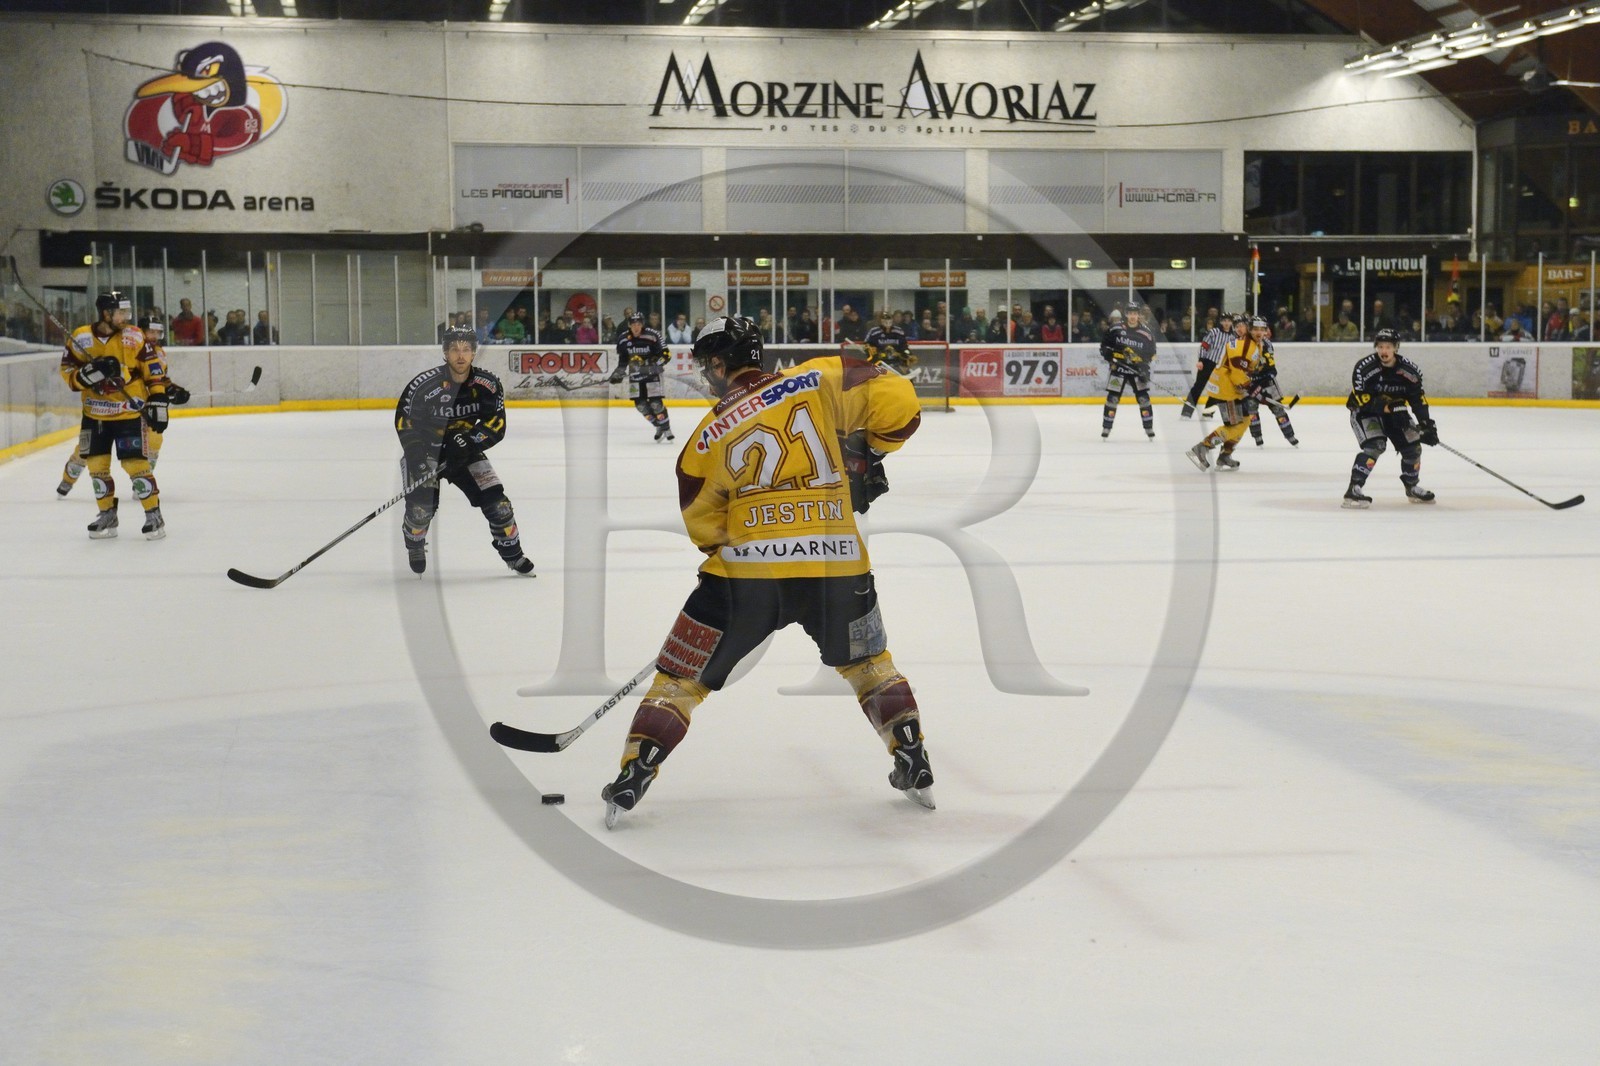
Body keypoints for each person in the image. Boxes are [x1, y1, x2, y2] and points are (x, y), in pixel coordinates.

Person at [599, 316, 932, 827]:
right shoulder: (818, 377)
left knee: (682, 680)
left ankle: (636, 769)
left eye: (706, 365)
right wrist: (864, 457)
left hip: (745, 578)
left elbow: (703, 524)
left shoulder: (705, 438)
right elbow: (902, 405)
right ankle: (911, 750)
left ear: (717, 363)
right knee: (868, 664)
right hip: (837, 562)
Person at [395, 326, 534, 575]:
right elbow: (405, 422)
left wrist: (470, 442)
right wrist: (416, 456)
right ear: (445, 352)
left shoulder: (487, 384)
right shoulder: (424, 386)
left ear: (474, 353)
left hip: (464, 452)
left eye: (466, 349)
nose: (461, 355)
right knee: (420, 511)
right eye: (454, 349)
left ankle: (513, 555)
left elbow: (496, 424)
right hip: (427, 453)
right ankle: (415, 544)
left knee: (499, 506)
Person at [59, 291, 171, 539]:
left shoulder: (134, 335)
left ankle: (154, 514)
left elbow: (152, 368)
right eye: (121, 312)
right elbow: (67, 370)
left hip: (128, 412)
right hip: (94, 414)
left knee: (135, 464)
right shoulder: (81, 337)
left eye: (127, 312)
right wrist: (84, 376)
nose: (126, 317)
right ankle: (107, 514)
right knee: (97, 466)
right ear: (106, 313)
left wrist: (159, 398)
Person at [57, 316, 191, 498]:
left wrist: (173, 390)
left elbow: (158, 379)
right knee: (87, 448)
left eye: (158, 332)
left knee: (153, 440)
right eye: (151, 331)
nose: (155, 336)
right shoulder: (126, 343)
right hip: (108, 405)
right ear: (141, 331)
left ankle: (141, 484)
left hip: (137, 406)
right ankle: (68, 479)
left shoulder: (158, 353)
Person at [1341, 328, 1437, 508]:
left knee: (1413, 448)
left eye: (1388, 347)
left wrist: (1427, 424)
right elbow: (1362, 399)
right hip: (1365, 413)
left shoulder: (1410, 371)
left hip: (1395, 413)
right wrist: (1387, 408)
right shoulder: (1365, 368)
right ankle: (1354, 488)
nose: (1384, 351)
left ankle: (1412, 486)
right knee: (1375, 445)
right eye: (1380, 346)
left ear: (1396, 348)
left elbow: (1417, 399)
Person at [1185, 316, 1271, 473]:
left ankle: (1225, 454)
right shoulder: (1245, 346)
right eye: (1255, 329)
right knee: (1236, 425)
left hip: (1230, 387)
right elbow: (1237, 372)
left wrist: (1256, 386)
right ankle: (1202, 448)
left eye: (1262, 329)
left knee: (1243, 421)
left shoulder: (1255, 344)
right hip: (1226, 388)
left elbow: (1245, 371)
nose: (1259, 332)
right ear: (1249, 329)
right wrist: (1252, 388)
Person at [608, 311, 674, 442]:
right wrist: (618, 373)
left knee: (655, 404)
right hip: (635, 377)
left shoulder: (653, 335)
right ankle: (658, 426)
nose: (636, 327)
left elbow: (666, 355)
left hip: (652, 376)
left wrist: (653, 364)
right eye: (633, 324)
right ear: (629, 325)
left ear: (642, 324)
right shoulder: (623, 339)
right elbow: (623, 361)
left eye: (638, 324)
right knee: (641, 406)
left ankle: (666, 428)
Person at [1099, 304, 1158, 440]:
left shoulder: (1146, 333)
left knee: (1143, 398)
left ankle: (1148, 427)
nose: (1132, 316)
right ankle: (1106, 426)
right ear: (1126, 314)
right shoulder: (1115, 328)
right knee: (1113, 398)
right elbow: (1104, 345)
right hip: (1118, 368)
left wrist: (1144, 368)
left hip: (1136, 370)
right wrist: (1107, 354)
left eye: (1135, 313)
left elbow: (1152, 353)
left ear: (1139, 315)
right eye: (1130, 313)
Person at [1245, 333, 1299, 447]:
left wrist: (1265, 381)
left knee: (1278, 409)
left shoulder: (1266, 343)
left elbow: (1271, 369)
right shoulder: (1244, 342)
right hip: (1252, 383)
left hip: (1267, 382)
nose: (1259, 331)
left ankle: (1290, 435)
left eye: (1262, 329)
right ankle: (1257, 437)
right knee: (1251, 408)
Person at [1181, 310, 1233, 419]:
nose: (1226, 323)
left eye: (1229, 321)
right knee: (1198, 387)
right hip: (1208, 362)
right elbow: (1204, 346)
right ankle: (1186, 412)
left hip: (1221, 367)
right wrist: (1200, 360)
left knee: (1217, 390)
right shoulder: (1214, 332)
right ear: (1221, 322)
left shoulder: (1233, 336)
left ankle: (1208, 412)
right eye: (1224, 321)